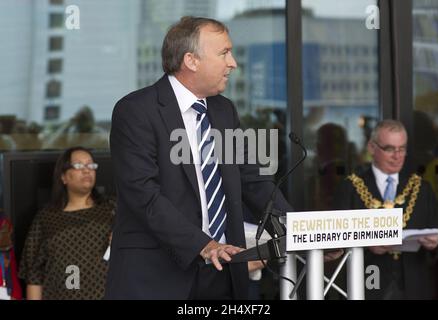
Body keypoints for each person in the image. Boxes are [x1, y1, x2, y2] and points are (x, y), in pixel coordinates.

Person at [105, 16, 296, 300]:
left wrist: (301, 233)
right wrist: (203, 245)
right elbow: (142, 194)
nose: (233, 63)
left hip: (221, 275)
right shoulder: (136, 111)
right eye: (224, 53)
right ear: (191, 60)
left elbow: (254, 182)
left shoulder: (224, 111)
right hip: (155, 277)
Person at [335, 119, 438, 299]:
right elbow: (334, 238)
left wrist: (436, 243)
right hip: (367, 284)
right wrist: (365, 243)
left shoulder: (422, 188)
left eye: (402, 148)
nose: (397, 156)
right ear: (372, 148)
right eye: (389, 148)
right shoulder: (351, 188)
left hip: (414, 286)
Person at [19, 147, 114, 300]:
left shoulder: (112, 210)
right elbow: (34, 276)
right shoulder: (46, 219)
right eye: (78, 165)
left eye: (90, 165)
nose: (86, 170)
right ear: (63, 176)